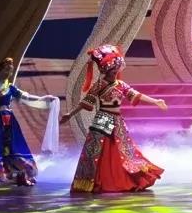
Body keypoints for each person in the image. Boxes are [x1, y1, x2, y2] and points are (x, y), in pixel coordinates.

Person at [62, 45, 167, 193]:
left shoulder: (121, 85)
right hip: (102, 120)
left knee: (124, 152)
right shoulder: (99, 84)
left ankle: (124, 179)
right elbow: (86, 102)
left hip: (117, 121)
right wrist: (70, 114)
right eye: (112, 70)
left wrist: (156, 101)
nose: (114, 72)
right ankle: (99, 181)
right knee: (100, 153)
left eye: (116, 70)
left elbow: (136, 95)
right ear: (106, 70)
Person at [0, 58, 58, 192]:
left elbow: (26, 97)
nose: (8, 73)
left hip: (9, 121)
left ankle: (21, 175)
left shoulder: (10, 87)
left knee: (13, 146)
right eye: (6, 69)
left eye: (10, 71)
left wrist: (43, 98)